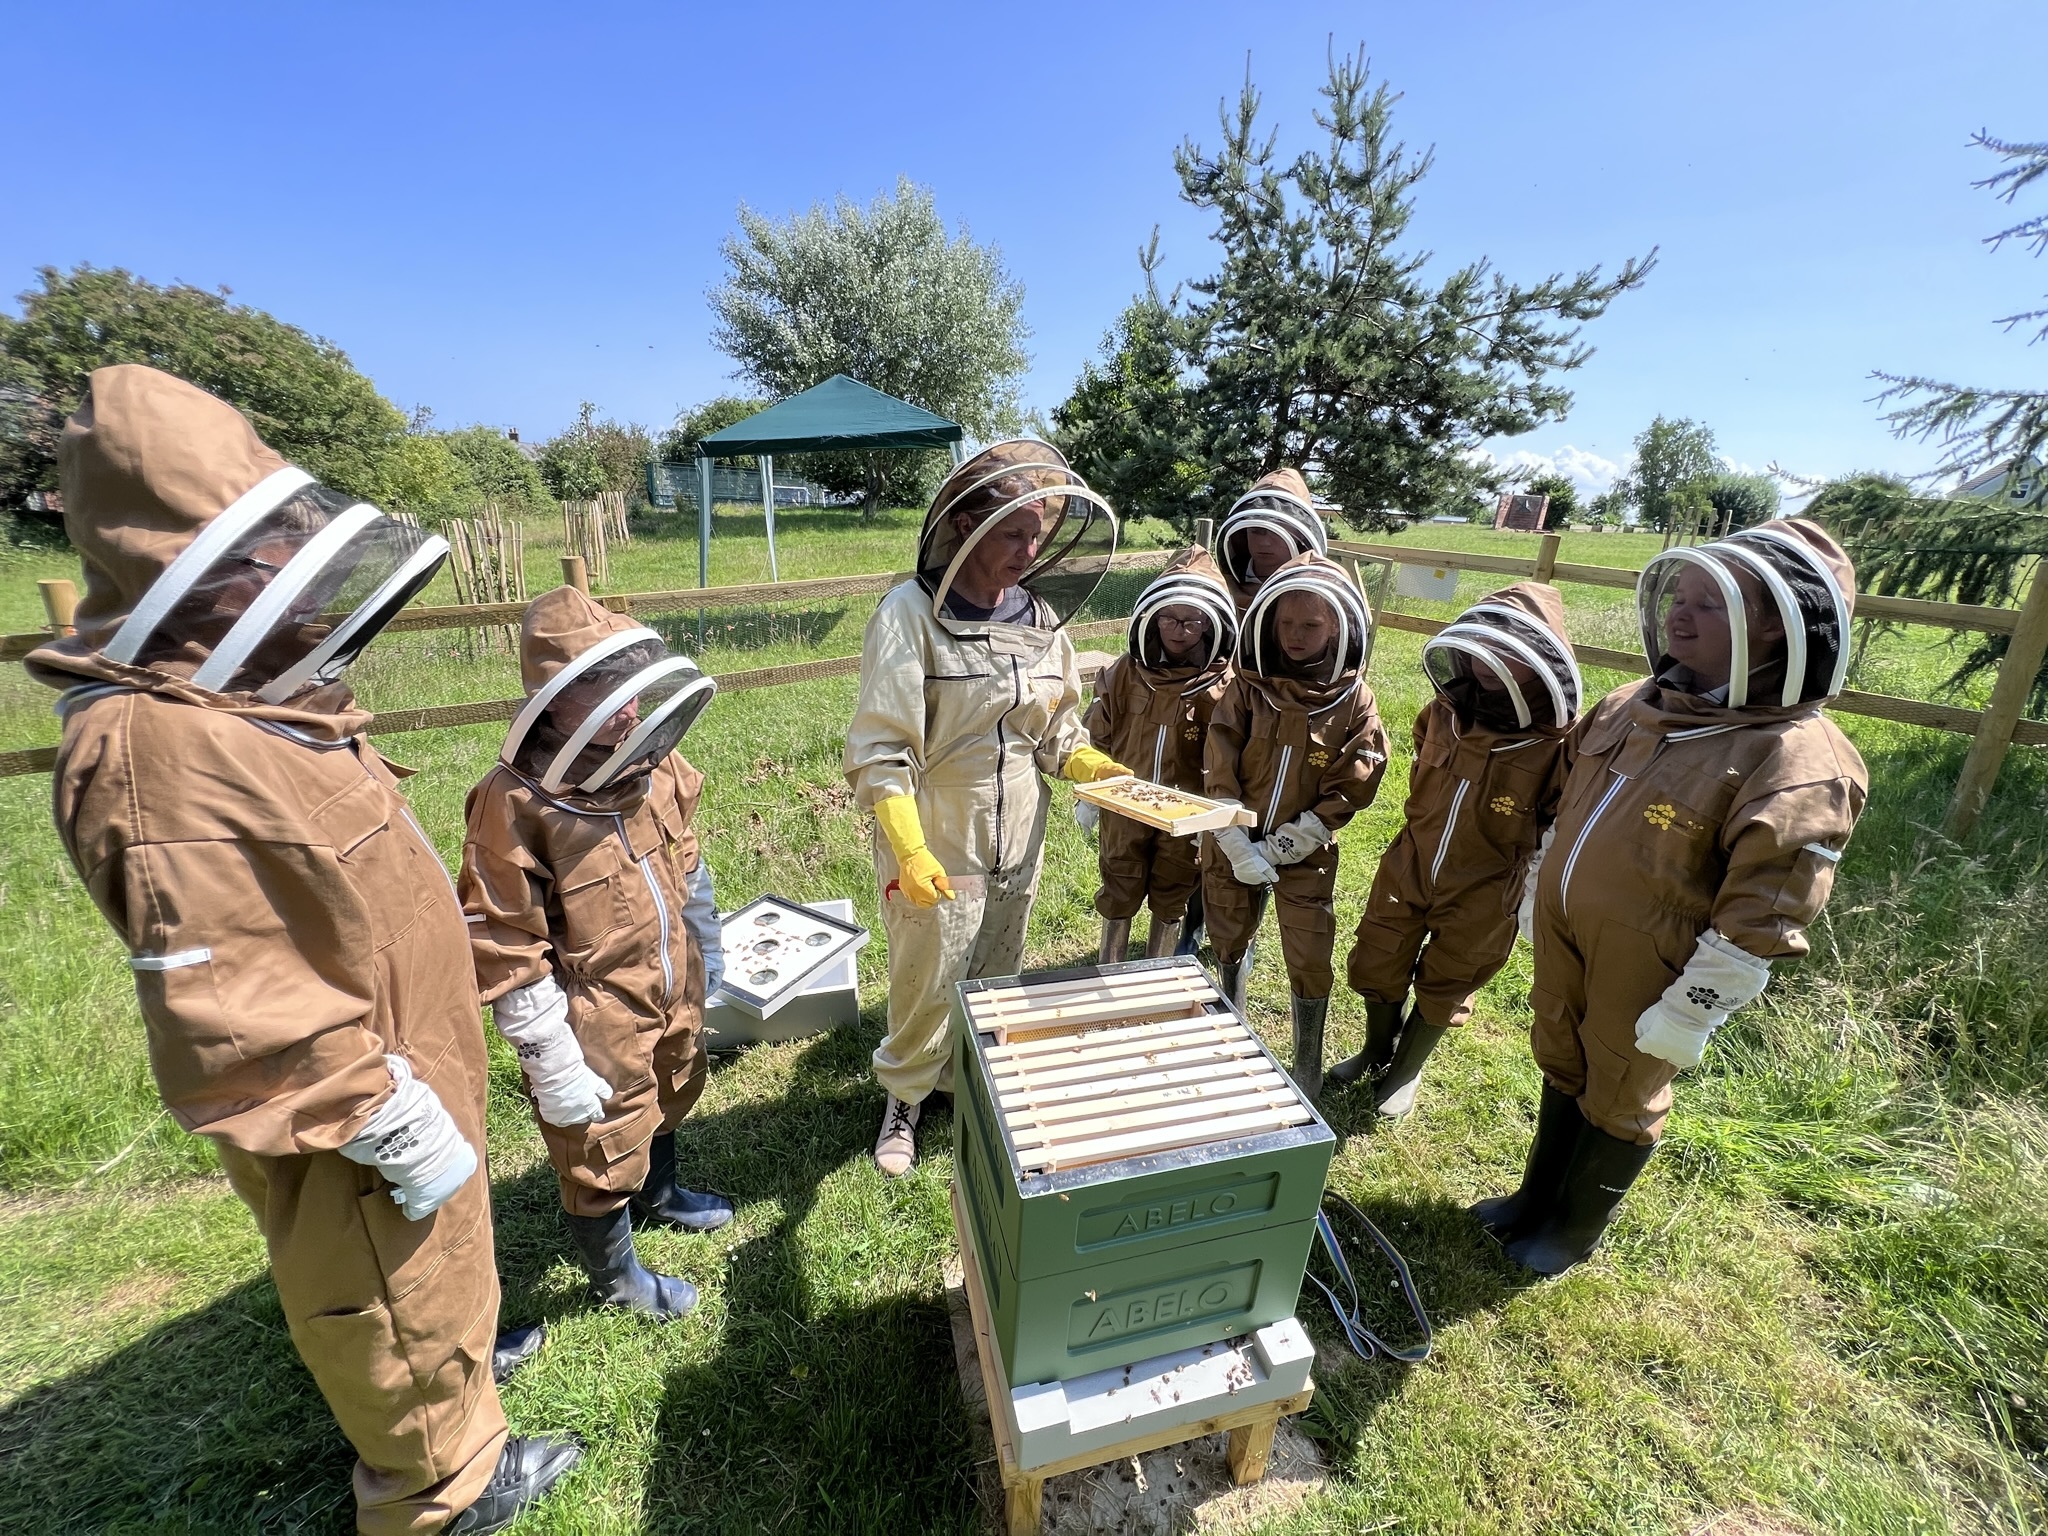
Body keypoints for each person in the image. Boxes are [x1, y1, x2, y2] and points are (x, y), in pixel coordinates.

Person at [29, 366, 578, 1534]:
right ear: (181, 575)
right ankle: (442, 1493)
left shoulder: (231, 708)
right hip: (351, 1103)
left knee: (435, 1265)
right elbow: (230, 993)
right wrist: (376, 1109)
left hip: (404, 1052)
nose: (296, 587)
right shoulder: (155, 747)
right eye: (258, 562)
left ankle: (460, 1388)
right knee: (384, 1283)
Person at [1474, 519, 1868, 1275]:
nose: (1679, 616)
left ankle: (1574, 1229)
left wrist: (1697, 1003)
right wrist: (1539, 885)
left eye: (1712, 605)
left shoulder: (1798, 758)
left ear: (1781, 630)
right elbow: (1564, 802)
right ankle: (1534, 1199)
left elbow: (1772, 900)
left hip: (1659, 959)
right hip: (1571, 933)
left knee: (1622, 1081)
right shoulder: (1628, 703)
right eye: (1678, 598)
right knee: (1563, 1054)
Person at [845, 439, 1128, 1176]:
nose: (1029, 549)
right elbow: (882, 748)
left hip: (1021, 825)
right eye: (1013, 532)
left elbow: (1054, 726)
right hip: (938, 823)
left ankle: (972, 1078)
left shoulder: (1040, 618)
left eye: (1037, 533)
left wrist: (1085, 758)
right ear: (966, 526)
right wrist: (908, 846)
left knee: (998, 962)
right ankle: (905, 1098)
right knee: (926, 971)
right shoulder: (909, 614)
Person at [458, 587, 730, 1321]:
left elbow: (688, 858)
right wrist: (549, 1054)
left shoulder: (658, 765)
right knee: (601, 1136)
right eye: (600, 689)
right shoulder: (513, 804)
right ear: (551, 701)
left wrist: (707, 939)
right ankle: (617, 1278)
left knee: (676, 1077)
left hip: (672, 978)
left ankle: (661, 1191)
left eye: (629, 684)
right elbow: (503, 937)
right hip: (595, 1007)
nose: (629, 708)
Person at [1331, 583, 1581, 1115]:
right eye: (1487, 644)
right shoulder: (1442, 711)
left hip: (1488, 883)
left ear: (1543, 659)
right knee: (1377, 955)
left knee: (1453, 974)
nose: (1492, 660)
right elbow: (1422, 758)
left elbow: (1559, 817)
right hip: (1411, 860)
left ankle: (1407, 1068)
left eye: (1512, 650)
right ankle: (1377, 1050)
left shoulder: (1556, 743)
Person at [1203, 554, 1389, 1099]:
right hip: (1232, 840)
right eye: (1286, 624)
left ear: (1338, 625)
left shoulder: (1354, 698)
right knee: (1229, 933)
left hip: (1306, 851)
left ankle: (1306, 1065)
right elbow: (1219, 757)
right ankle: (1228, 1043)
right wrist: (1234, 838)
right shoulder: (1246, 687)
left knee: (1309, 952)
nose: (1296, 636)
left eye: (1311, 625)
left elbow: (1357, 777)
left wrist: (1290, 843)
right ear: (1267, 621)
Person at [1078, 549, 1239, 963]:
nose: (1179, 630)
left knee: (1174, 884)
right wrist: (1088, 793)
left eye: (1192, 621)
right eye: (1169, 617)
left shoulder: (1224, 686)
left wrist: (1221, 807)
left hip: (1185, 811)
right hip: (1123, 801)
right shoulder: (1124, 671)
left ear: (1212, 623)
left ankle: (1157, 969)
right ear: (1151, 615)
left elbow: (1230, 754)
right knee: (1119, 877)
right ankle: (1109, 966)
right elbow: (1100, 730)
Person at [1213, 468, 1328, 612]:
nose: (1264, 542)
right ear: (1242, 533)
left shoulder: (1317, 592)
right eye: (1255, 531)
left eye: (1277, 531)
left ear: (1299, 534)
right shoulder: (1220, 585)